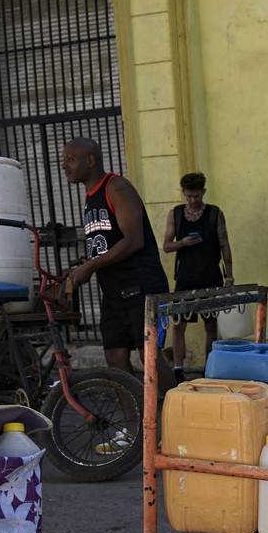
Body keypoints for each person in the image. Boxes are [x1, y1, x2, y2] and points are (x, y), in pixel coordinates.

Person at [61, 137, 169, 374]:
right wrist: (87, 264)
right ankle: (135, 409)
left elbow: (134, 240)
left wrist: (90, 267)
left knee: (149, 356)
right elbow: (107, 244)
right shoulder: (90, 197)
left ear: (90, 160)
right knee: (114, 356)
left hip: (141, 286)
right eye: (64, 160)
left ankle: (176, 408)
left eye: (70, 159)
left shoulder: (117, 188)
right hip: (113, 291)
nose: (64, 165)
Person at [161, 172, 233, 384]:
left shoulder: (214, 214)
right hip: (185, 278)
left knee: (211, 324)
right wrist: (182, 243)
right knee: (179, 324)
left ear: (204, 192)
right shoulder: (175, 214)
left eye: (197, 196)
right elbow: (166, 246)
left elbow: (224, 244)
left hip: (211, 276)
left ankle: (209, 366)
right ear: (183, 193)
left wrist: (229, 276)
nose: (193, 200)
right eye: (189, 196)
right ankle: (178, 369)